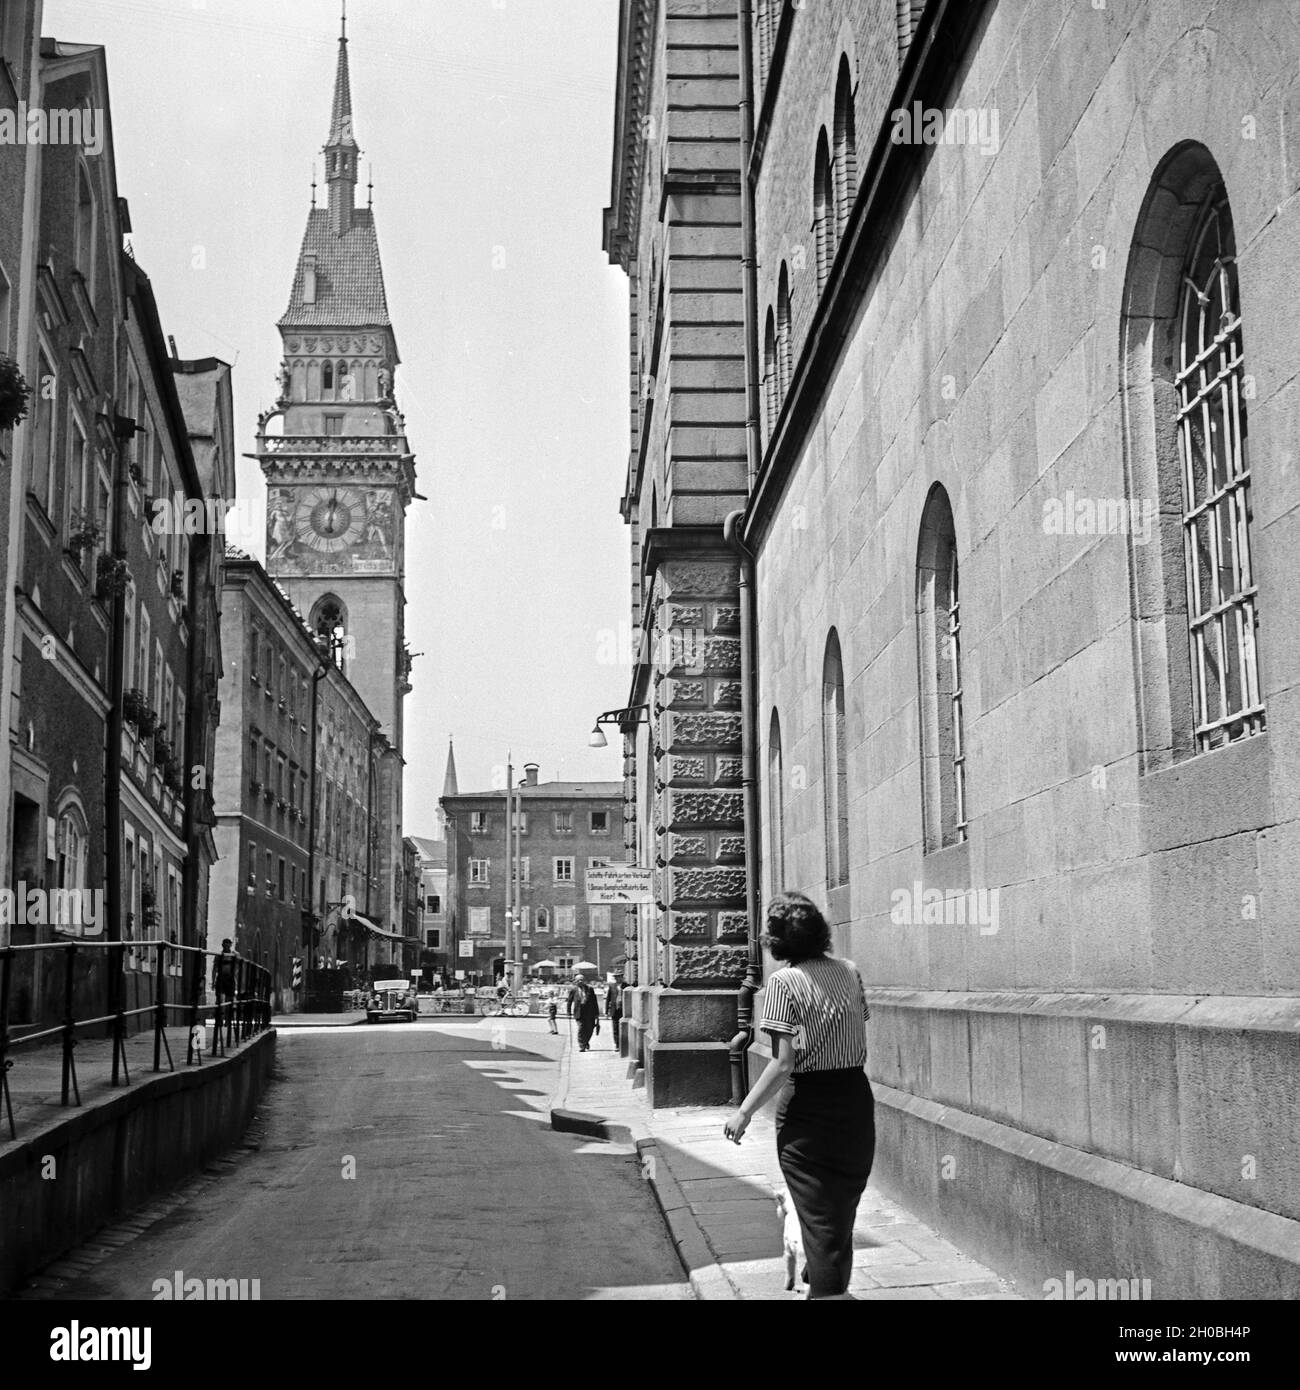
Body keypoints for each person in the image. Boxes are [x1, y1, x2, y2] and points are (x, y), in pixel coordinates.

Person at [723, 892, 874, 1300]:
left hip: (809, 1108)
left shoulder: (782, 983)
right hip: (856, 1100)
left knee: (818, 1214)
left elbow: (783, 1062)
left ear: (778, 939)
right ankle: (824, 1281)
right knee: (840, 1209)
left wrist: (744, 1112)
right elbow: (857, 1026)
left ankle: (827, 1291)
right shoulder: (850, 971)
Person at [212, 938, 239, 1038]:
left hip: (230, 979)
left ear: (230, 945)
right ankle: (219, 1021)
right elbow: (215, 968)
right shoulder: (219, 956)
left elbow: (237, 966)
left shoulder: (233, 955)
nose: (227, 946)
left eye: (228, 944)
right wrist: (213, 980)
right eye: (225, 944)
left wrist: (234, 977)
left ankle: (228, 1021)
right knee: (219, 1000)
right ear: (222, 945)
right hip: (221, 978)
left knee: (229, 1000)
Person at [570, 979, 600, 1052]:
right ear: (576, 982)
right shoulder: (574, 990)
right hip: (579, 1013)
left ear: (584, 981)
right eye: (578, 981)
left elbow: (594, 1001)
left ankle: (586, 1042)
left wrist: (597, 1013)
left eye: (581, 980)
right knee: (581, 1028)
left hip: (590, 1013)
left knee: (589, 1029)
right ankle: (581, 1046)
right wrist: (568, 1012)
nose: (579, 982)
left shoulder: (590, 989)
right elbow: (569, 1001)